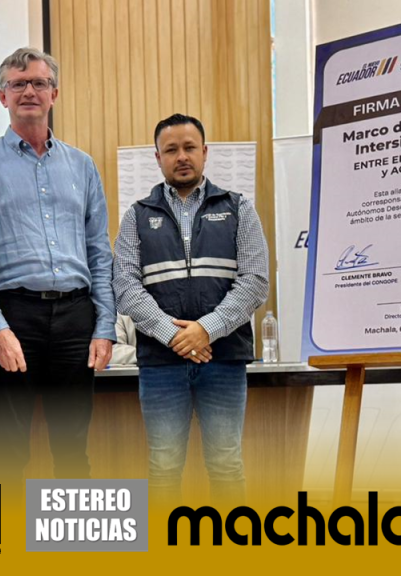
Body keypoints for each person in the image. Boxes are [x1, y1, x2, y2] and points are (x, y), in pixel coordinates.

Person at [0, 48, 115, 495]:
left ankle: (72, 539)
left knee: (73, 452)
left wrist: (104, 326)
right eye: (18, 83)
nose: (29, 91)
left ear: (54, 94)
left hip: (76, 318)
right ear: (2, 96)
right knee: (9, 453)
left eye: (39, 83)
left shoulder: (82, 165)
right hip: (13, 317)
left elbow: (99, 251)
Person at [113, 113, 269, 506]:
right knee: (163, 467)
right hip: (161, 364)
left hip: (223, 358)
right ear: (158, 158)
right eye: (171, 150)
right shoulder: (136, 216)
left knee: (226, 464)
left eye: (189, 147)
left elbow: (255, 280)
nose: (181, 156)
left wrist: (206, 330)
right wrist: (174, 335)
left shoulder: (239, 208)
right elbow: (125, 287)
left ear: (204, 152)